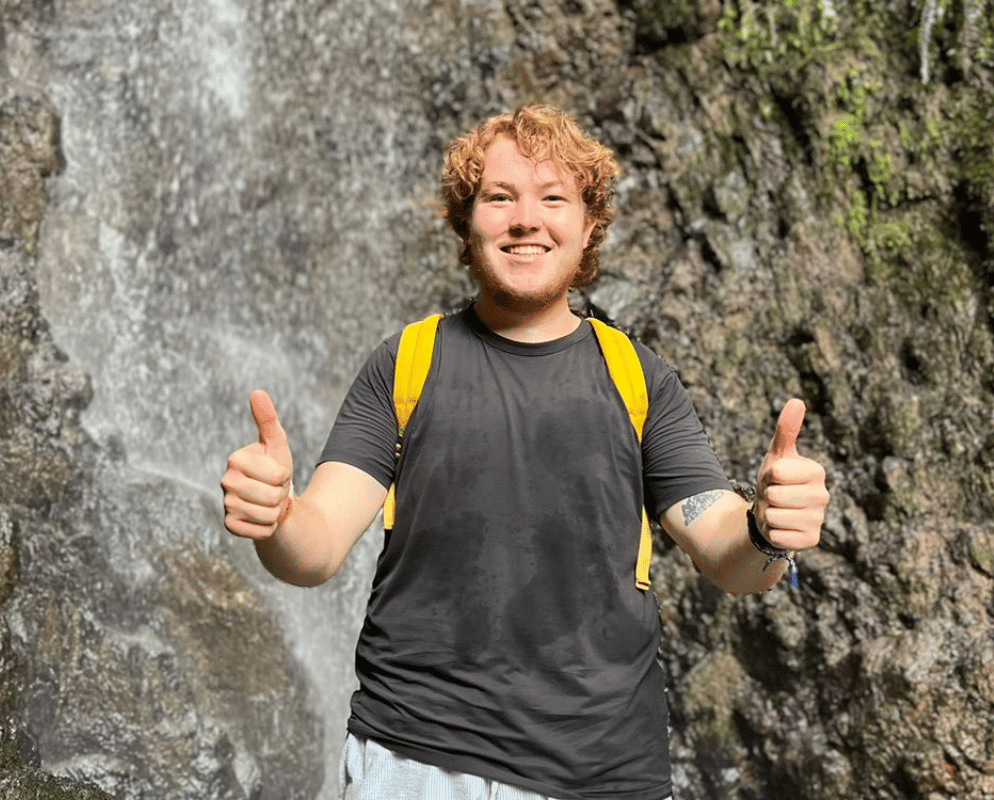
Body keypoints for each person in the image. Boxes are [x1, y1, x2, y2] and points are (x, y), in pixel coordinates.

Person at [221, 106, 829, 800]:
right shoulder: (405, 364)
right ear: (465, 218)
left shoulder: (639, 379)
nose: (525, 220)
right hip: (419, 761)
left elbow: (727, 549)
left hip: (605, 775)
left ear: (589, 224)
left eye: (553, 199)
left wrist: (765, 528)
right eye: (500, 197)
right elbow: (318, 543)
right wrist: (275, 518)